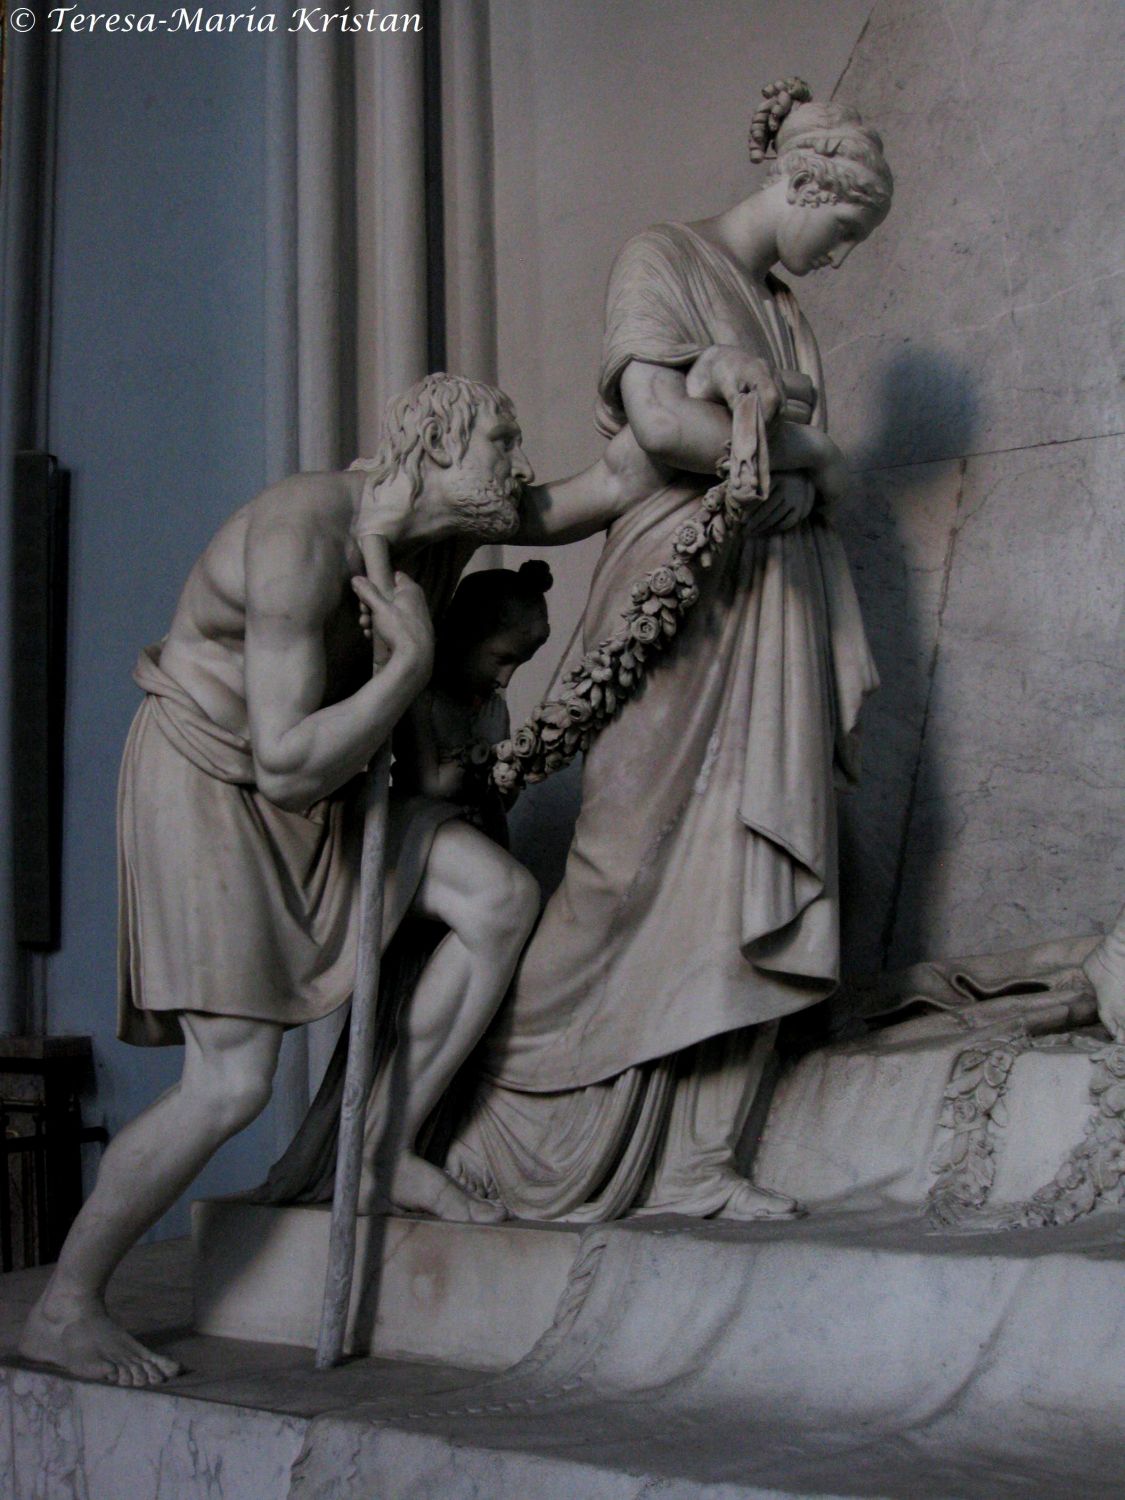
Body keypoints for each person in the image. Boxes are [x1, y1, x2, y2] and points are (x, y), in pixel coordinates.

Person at [19, 373, 653, 1387]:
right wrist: (404, 670)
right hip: (216, 787)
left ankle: (382, 1146)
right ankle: (68, 1301)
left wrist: (706, 396)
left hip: (327, 789)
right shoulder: (302, 538)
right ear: (438, 447)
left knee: (498, 900)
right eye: (500, 441)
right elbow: (282, 761)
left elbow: (607, 481)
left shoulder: (448, 526)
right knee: (229, 1082)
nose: (517, 463)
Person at [442, 84, 893, 1223]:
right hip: (677, 602)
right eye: (839, 232)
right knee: (620, 864)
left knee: (760, 869)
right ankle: (490, 1102)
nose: (836, 259)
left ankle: (699, 1160)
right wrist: (815, 455)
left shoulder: (785, 313)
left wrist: (799, 461)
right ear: (800, 185)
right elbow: (668, 428)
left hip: (774, 607)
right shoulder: (663, 259)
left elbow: (769, 454)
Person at [395, 559, 554, 844]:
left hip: (486, 835)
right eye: (502, 659)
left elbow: (503, 801)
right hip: (432, 838)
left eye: (518, 664)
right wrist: (481, 760)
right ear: (463, 636)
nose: (505, 680)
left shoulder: (494, 710)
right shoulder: (421, 700)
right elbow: (431, 787)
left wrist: (510, 779)